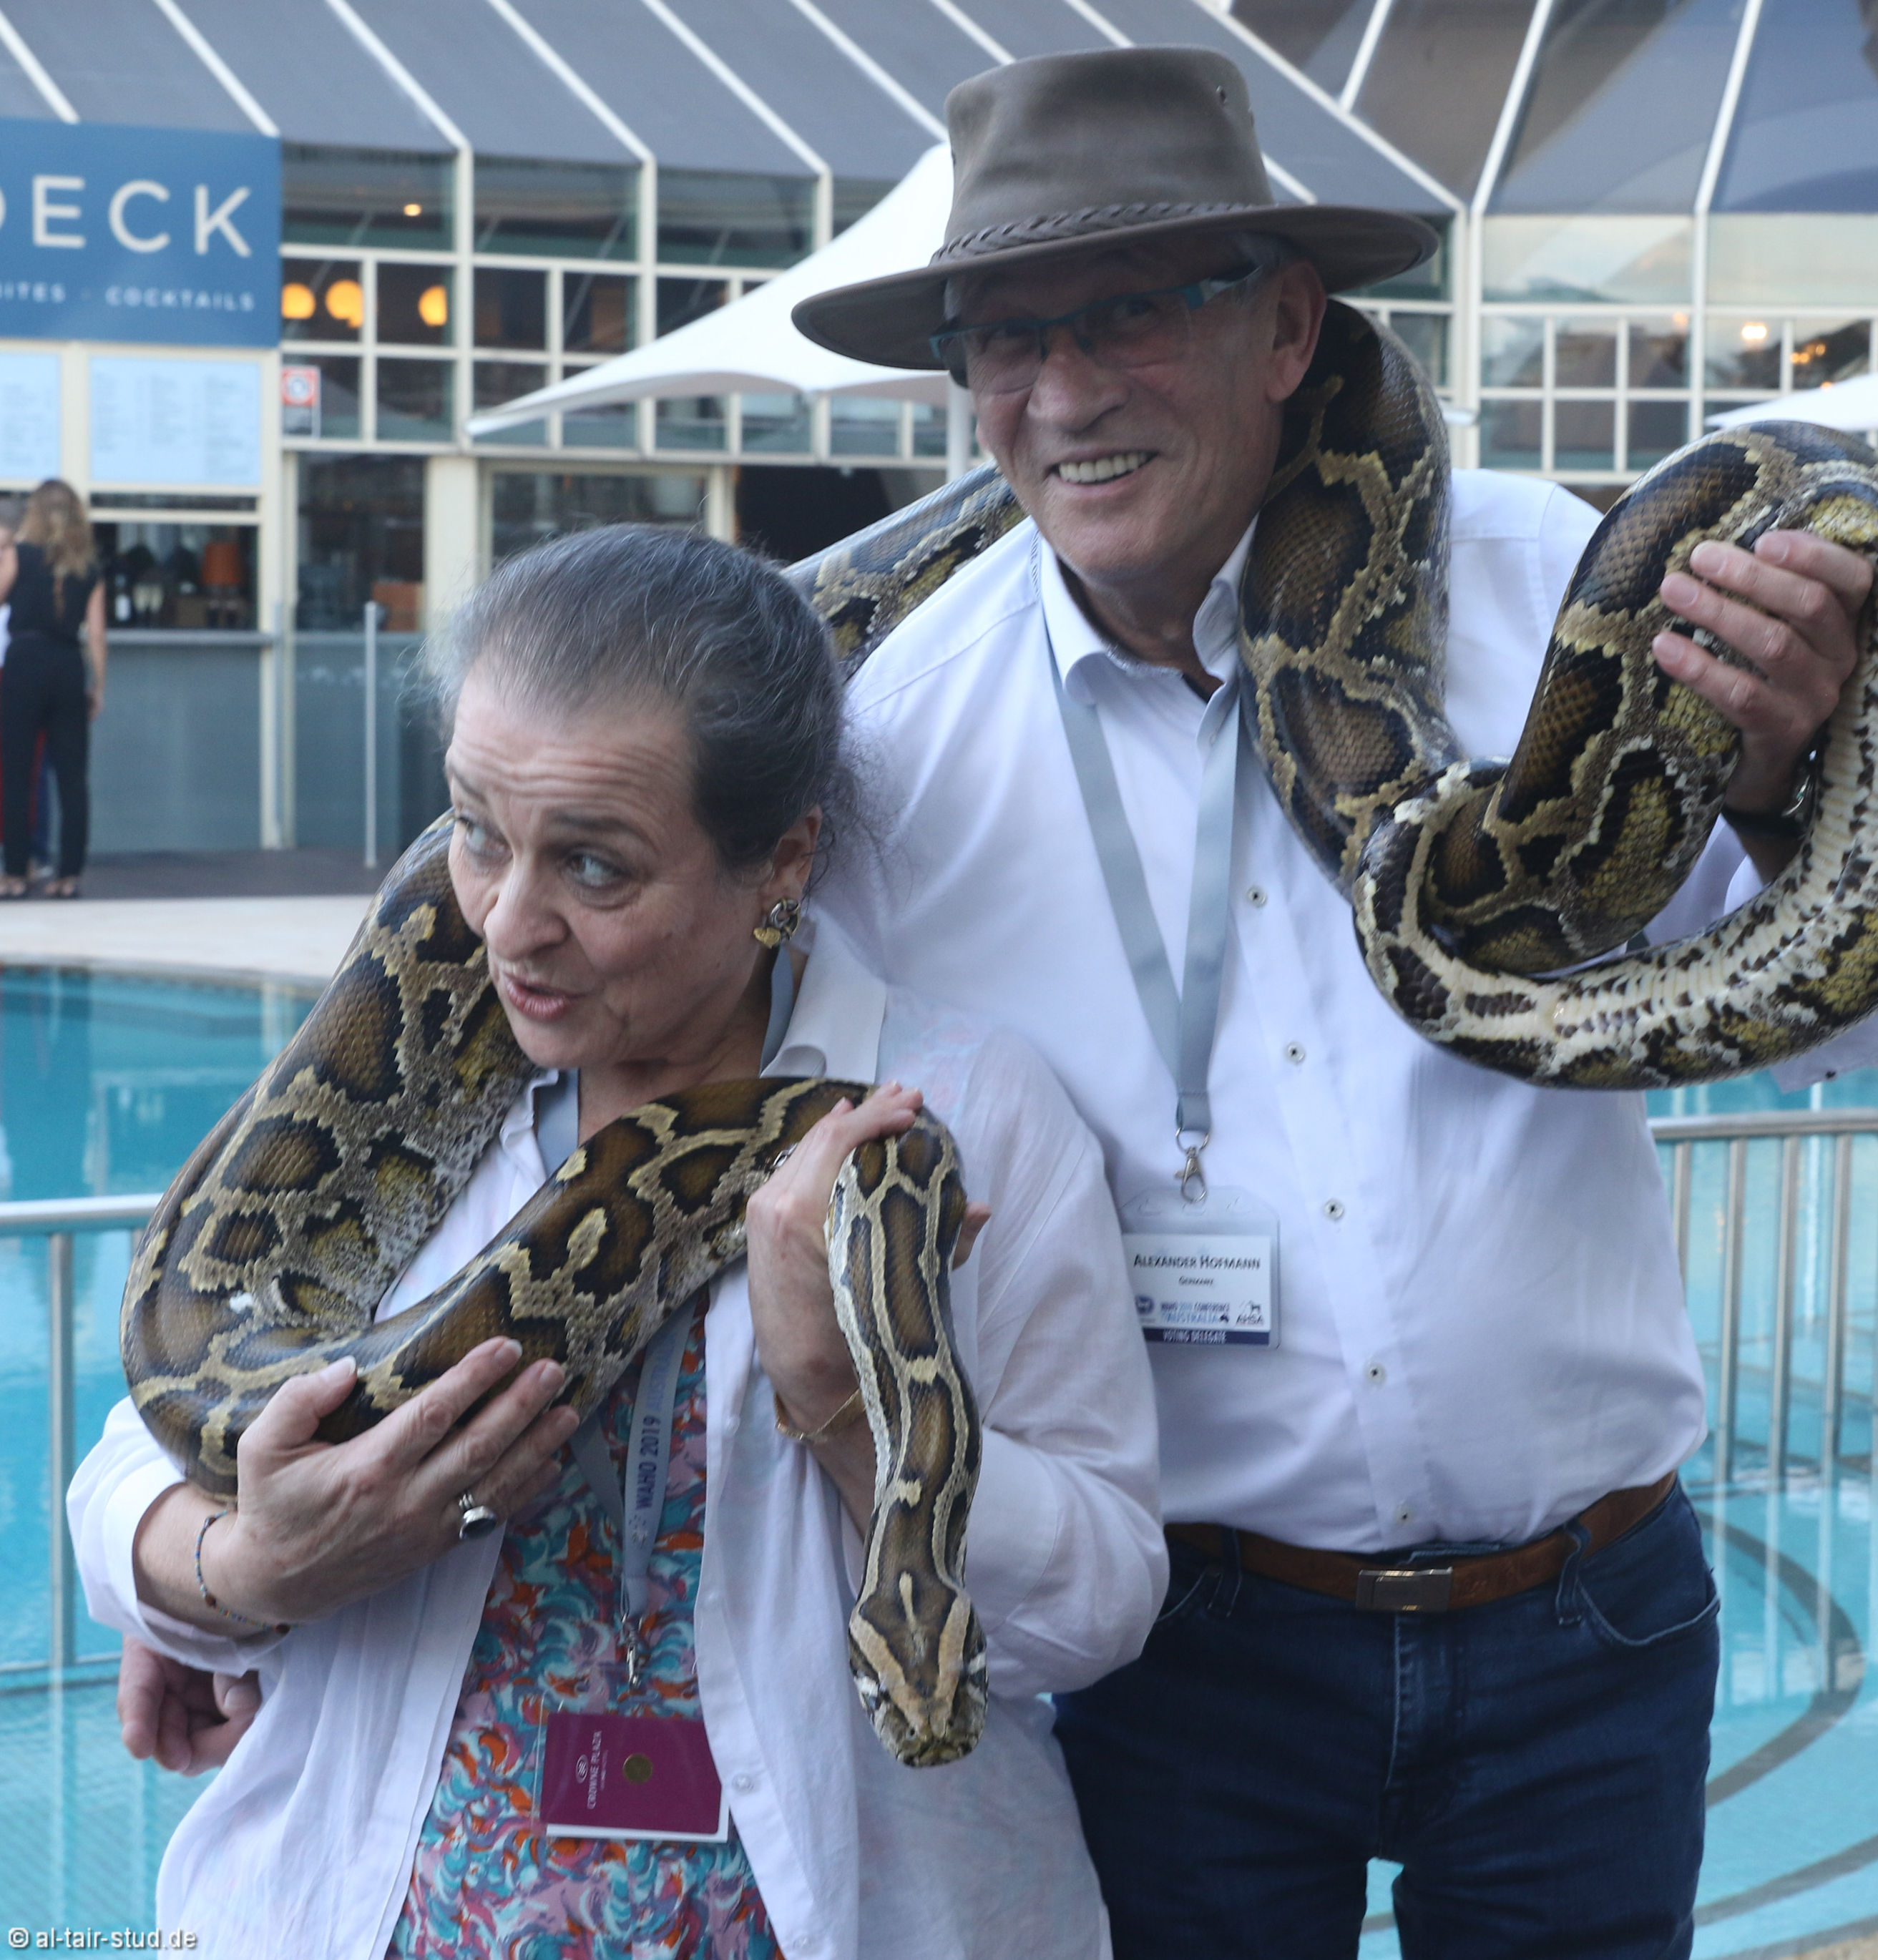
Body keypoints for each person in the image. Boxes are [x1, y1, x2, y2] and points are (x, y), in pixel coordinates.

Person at [788, 48, 1878, 1959]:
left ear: (1287, 328)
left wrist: (1780, 788)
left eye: (1125, 313)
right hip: (1181, 1652)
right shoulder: (889, 750)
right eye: (1004, 337)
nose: (1063, 392)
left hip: (1587, 1619)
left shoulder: (1566, 588)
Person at [71, 525, 1165, 1959]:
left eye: (594, 867)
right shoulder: (399, 1100)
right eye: (475, 833)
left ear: (782, 859)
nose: (509, 927)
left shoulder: (956, 1114)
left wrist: (843, 1403)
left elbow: (1095, 1608)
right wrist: (249, 1571)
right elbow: (133, 1462)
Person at [0, 478, 105, 898]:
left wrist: (7, 549)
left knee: (17, 772)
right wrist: (98, 685)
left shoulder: (19, 555)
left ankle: (15, 873)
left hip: (24, 664)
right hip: (67, 666)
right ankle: (68, 875)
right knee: (73, 778)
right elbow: (96, 635)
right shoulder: (90, 568)